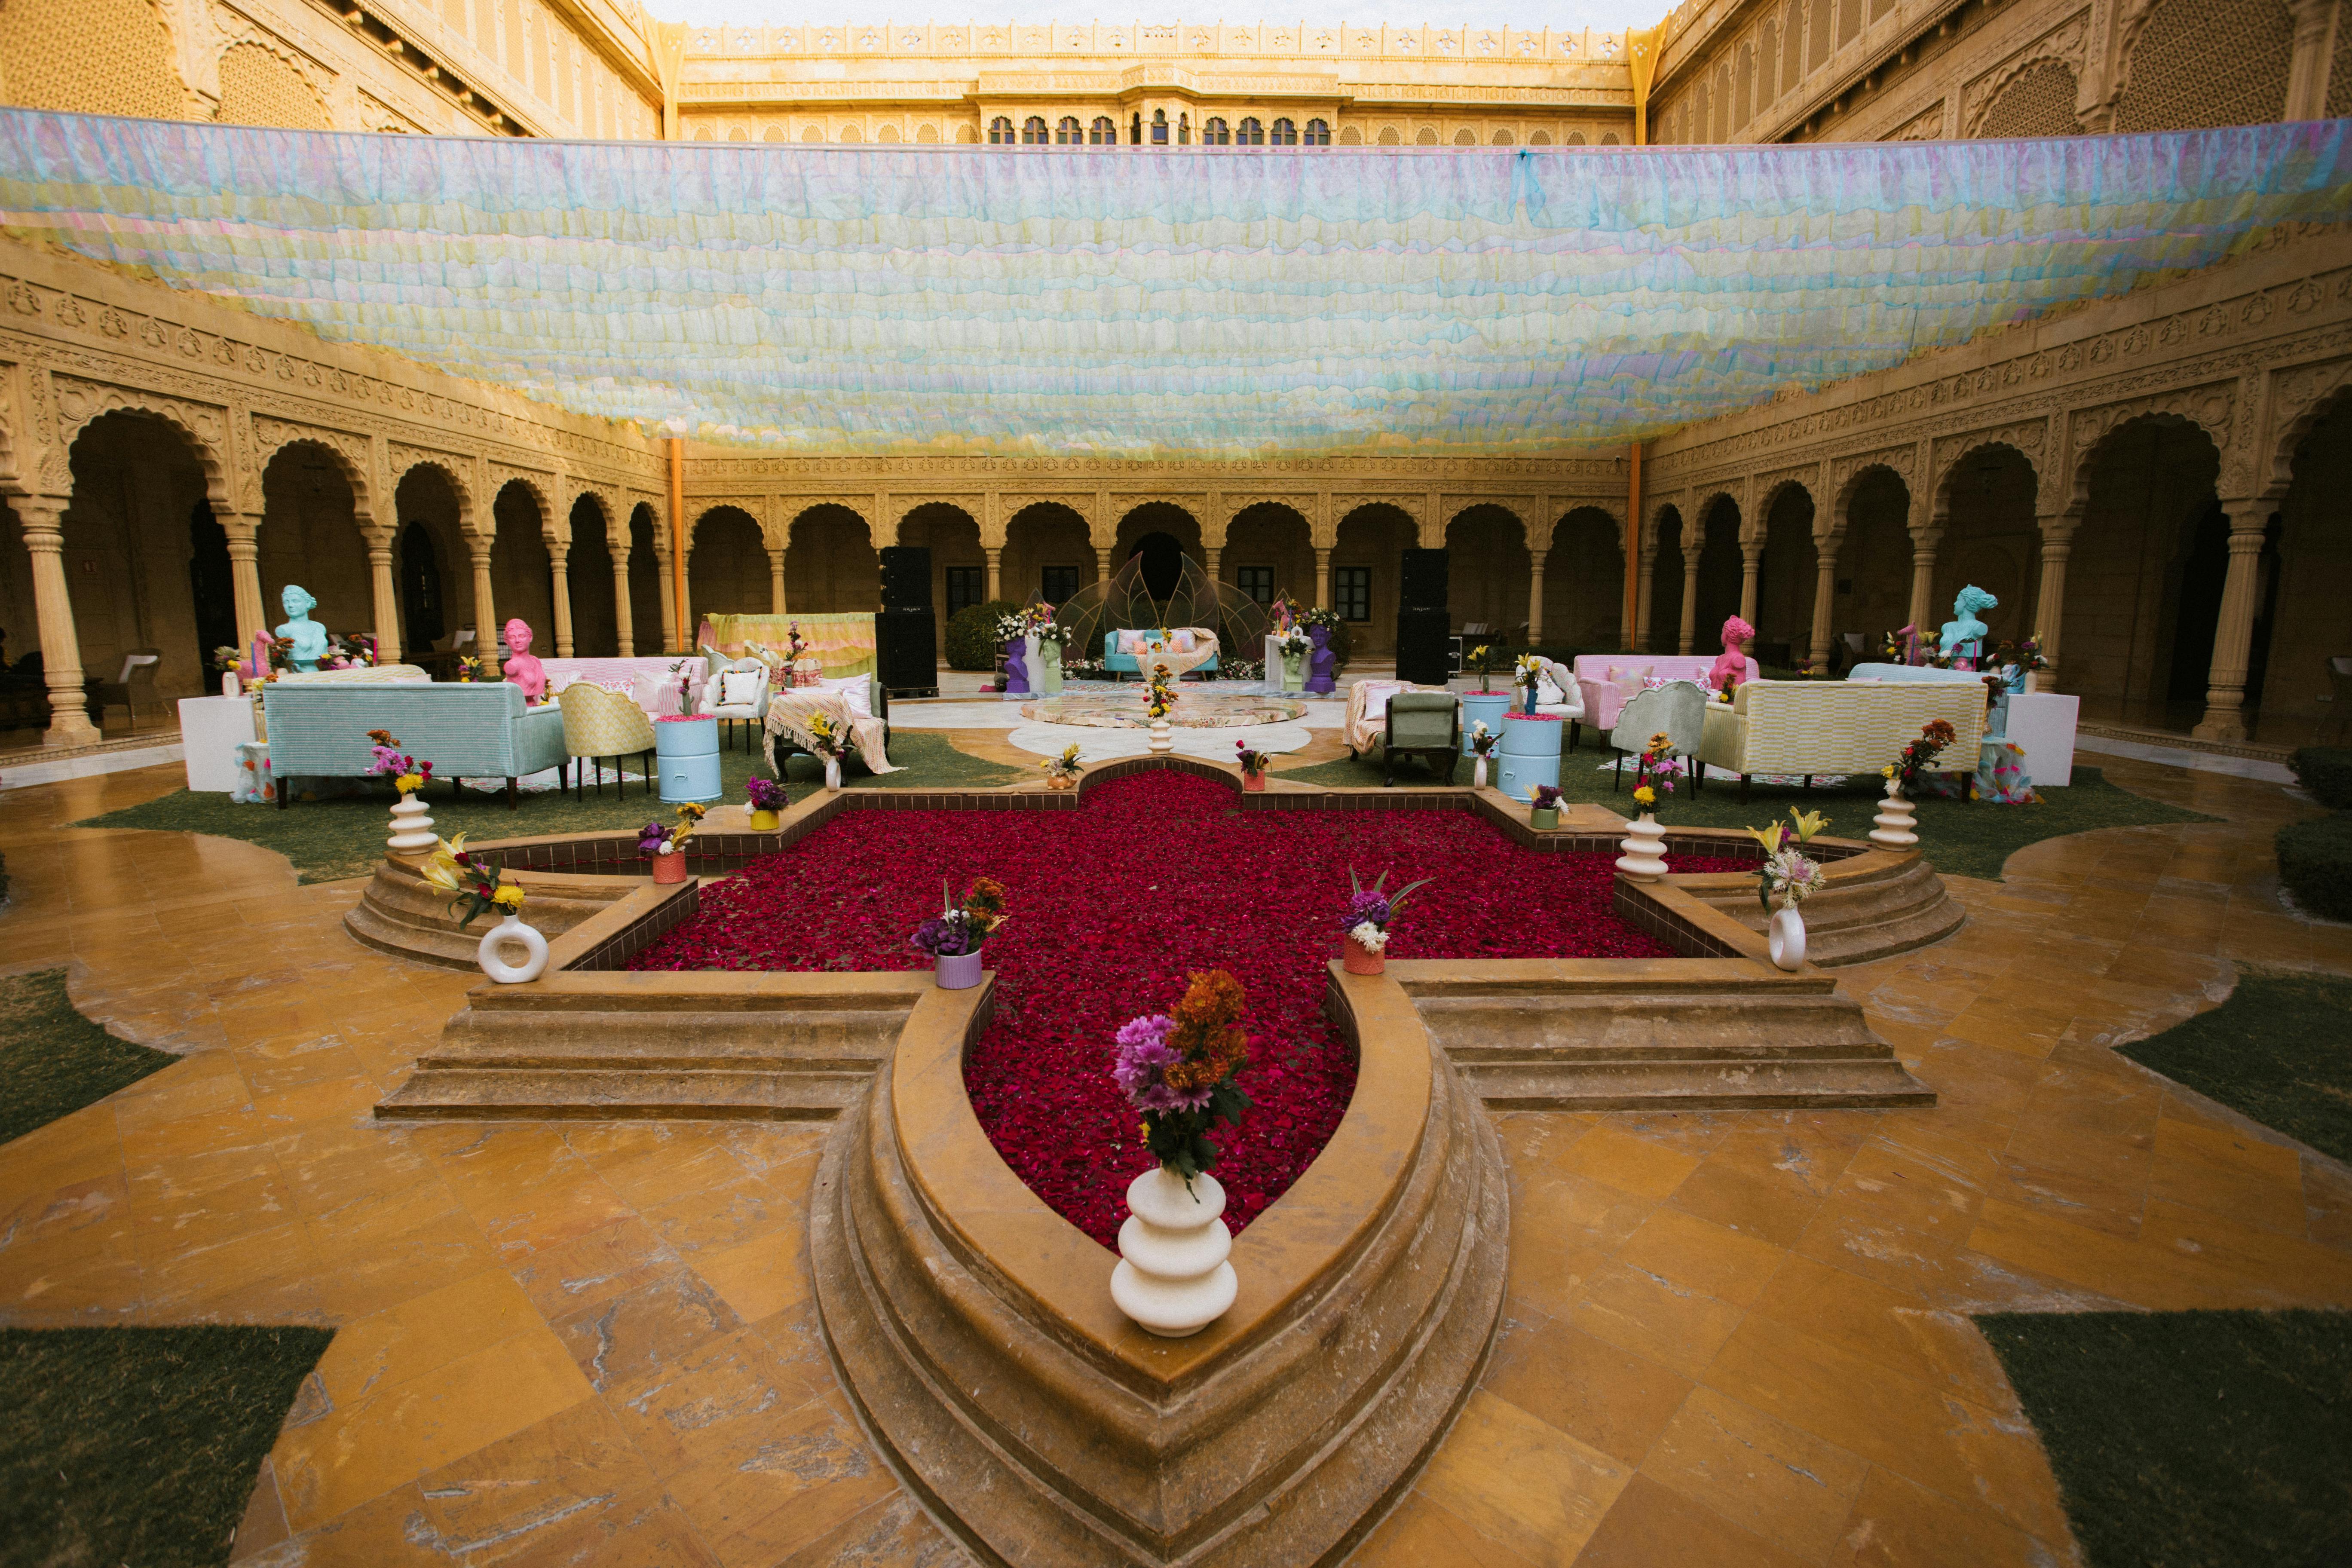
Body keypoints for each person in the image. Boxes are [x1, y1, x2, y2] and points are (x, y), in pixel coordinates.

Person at [274, 585, 329, 671]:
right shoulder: (284, 630)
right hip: (299, 671)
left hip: (315, 670)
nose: (290, 605)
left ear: (307, 603)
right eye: (286, 602)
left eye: (295, 601)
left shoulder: (320, 627)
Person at [502, 617, 546, 704]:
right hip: (520, 707)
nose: (517, 641)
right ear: (507, 641)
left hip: (533, 705)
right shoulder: (512, 666)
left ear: (530, 637)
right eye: (512, 637)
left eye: (522, 636)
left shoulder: (536, 660)